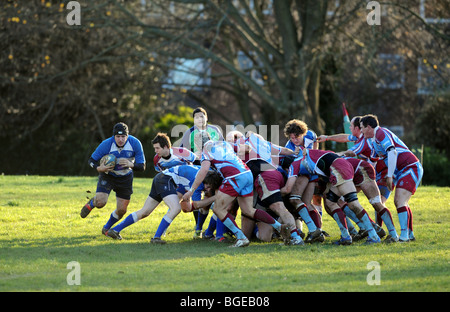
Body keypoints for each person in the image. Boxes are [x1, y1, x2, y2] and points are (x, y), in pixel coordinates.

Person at [181, 134, 291, 247]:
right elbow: (247, 148)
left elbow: (203, 170)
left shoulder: (206, 151)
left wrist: (191, 190)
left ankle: (241, 237)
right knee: (249, 211)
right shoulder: (224, 144)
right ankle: (280, 227)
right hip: (247, 173)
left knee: (218, 209)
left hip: (235, 176)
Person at [105, 165, 222, 243]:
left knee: (145, 212)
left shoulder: (202, 173)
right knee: (175, 209)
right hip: (166, 180)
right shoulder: (199, 182)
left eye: (209, 187)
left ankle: (115, 230)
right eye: (207, 186)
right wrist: (215, 197)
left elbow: (187, 202)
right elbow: (195, 205)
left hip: (160, 178)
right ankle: (156, 237)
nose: (206, 189)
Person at [286, 148, 381, 245]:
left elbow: (287, 188)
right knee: (330, 202)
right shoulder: (313, 154)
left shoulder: (294, 164)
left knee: (353, 203)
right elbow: (331, 155)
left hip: (338, 168)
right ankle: (346, 236)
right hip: (339, 167)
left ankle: (373, 235)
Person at [232, 130, 304, 245]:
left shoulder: (241, 144)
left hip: (265, 177)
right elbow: (285, 151)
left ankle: (295, 236)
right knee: (265, 230)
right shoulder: (265, 144)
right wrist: (296, 152)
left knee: (278, 208)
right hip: (276, 175)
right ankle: (288, 232)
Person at [360, 114, 423, 242]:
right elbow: (373, 162)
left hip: (410, 167)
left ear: (368, 127)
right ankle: (409, 234)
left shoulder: (380, 133)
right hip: (401, 170)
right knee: (396, 201)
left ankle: (404, 237)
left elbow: (392, 152)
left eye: (361, 128)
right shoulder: (373, 140)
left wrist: (389, 176)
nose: (361, 131)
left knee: (400, 200)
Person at [80, 122, 146, 236]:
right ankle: (92, 202)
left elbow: (142, 166)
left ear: (127, 136)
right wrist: (98, 168)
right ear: (113, 136)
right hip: (108, 176)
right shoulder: (106, 144)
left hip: (125, 178)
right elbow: (91, 160)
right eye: (118, 136)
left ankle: (106, 228)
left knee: (121, 211)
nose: (120, 139)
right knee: (100, 203)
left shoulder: (135, 143)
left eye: (123, 136)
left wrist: (131, 164)